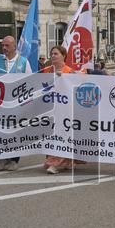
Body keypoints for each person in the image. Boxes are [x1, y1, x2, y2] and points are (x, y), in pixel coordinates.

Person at [0, 36, 32, 171]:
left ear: (14, 47)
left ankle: (14, 159)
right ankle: (3, 157)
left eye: (7, 45)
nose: (4, 48)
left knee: (15, 131)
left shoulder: (23, 62)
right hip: (1, 102)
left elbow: (30, 80)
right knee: (1, 130)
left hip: (17, 102)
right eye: (2, 45)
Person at [42, 45, 78, 175]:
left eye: (56, 54)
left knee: (63, 135)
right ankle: (62, 161)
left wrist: (63, 78)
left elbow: (76, 88)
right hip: (50, 110)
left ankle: (56, 163)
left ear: (63, 56)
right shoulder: (46, 71)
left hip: (66, 111)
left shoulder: (70, 72)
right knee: (51, 135)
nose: (53, 56)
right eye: (51, 54)